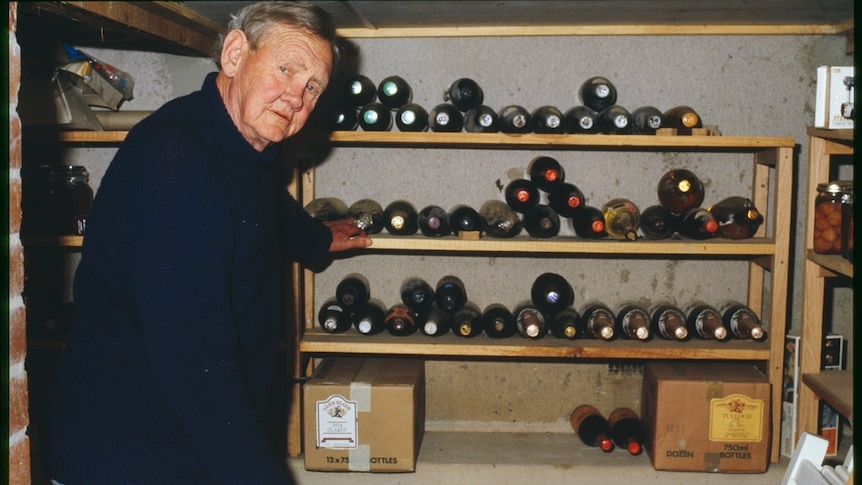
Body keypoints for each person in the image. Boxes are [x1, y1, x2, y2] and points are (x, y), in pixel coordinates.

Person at [47, 2, 369, 483]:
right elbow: (197, 365)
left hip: (185, 447)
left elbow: (262, 202)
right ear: (236, 54)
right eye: (286, 69)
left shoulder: (233, 143)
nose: (296, 97)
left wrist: (316, 238)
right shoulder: (175, 164)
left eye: (312, 87)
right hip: (133, 458)